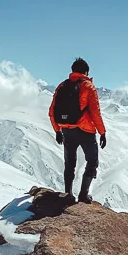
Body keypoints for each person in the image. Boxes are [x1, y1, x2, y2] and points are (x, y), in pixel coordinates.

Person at [48, 58, 107, 202]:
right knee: (92, 162)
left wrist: (57, 131)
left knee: (70, 163)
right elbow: (95, 112)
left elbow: (52, 111)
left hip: (67, 131)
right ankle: (83, 195)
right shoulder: (88, 86)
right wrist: (102, 132)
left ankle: (68, 194)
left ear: (73, 70)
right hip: (86, 131)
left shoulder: (62, 86)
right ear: (86, 71)